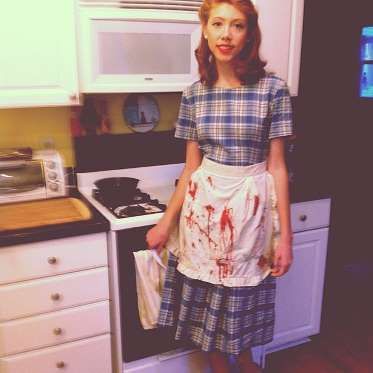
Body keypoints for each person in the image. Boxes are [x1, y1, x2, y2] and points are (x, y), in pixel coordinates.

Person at [146, 0, 293, 372]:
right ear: (206, 30)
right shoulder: (194, 93)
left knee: (242, 324)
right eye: (218, 24)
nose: (226, 34)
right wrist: (166, 222)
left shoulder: (273, 90)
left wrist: (286, 238)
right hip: (203, 216)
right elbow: (191, 168)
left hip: (250, 218)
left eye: (237, 25)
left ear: (249, 34)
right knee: (206, 323)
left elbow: (278, 168)